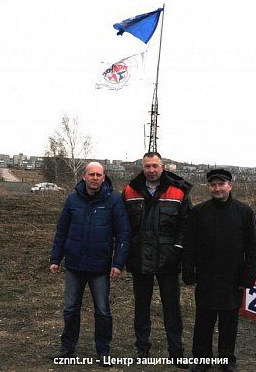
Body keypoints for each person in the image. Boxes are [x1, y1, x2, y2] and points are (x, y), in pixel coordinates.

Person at [49, 162, 130, 367]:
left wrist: (118, 263)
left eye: (98, 174)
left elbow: (123, 234)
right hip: (74, 266)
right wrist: (55, 259)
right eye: (91, 174)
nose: (95, 177)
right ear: (84, 176)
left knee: (102, 311)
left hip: (100, 268)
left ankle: (103, 351)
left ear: (104, 178)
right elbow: (62, 231)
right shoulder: (72, 199)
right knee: (70, 309)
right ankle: (67, 350)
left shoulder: (113, 200)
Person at [183, 169, 256, 372]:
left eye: (221, 184)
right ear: (209, 187)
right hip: (206, 276)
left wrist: (248, 278)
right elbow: (189, 245)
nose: (217, 188)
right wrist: (188, 272)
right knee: (203, 321)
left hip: (232, 278)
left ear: (230, 186)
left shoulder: (244, 212)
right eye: (213, 185)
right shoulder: (199, 212)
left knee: (229, 323)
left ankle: (227, 360)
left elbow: (252, 249)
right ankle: (201, 360)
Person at [123, 152, 192, 367]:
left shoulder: (178, 191)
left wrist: (177, 250)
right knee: (141, 308)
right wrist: (128, 252)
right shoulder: (129, 190)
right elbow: (123, 225)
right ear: (142, 168)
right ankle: (142, 348)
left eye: (155, 166)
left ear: (162, 167)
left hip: (168, 261)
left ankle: (176, 350)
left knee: (172, 309)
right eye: (147, 166)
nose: (151, 170)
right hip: (140, 259)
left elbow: (186, 225)